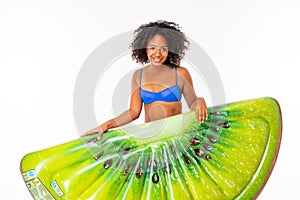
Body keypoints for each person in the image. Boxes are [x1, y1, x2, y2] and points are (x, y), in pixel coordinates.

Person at [82, 20, 208, 140]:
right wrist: (105, 126)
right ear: (145, 49)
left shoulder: (180, 73)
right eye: (153, 48)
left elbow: (192, 104)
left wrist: (199, 101)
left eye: (163, 49)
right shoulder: (138, 76)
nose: (157, 53)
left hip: (176, 138)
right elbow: (133, 112)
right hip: (150, 140)